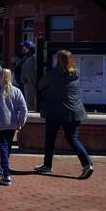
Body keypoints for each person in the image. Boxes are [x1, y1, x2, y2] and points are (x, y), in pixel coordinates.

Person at [35, 50, 94, 179]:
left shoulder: (53, 74)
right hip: (75, 111)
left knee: (50, 139)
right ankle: (87, 164)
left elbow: (40, 85)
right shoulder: (75, 73)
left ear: (58, 60)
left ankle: (47, 165)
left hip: (55, 111)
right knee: (72, 139)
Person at [0, 68, 28, 186]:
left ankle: (6, 174)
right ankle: (2, 167)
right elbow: (24, 109)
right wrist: (20, 123)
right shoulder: (16, 91)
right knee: (7, 148)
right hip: (12, 124)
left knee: (2, 148)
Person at [19, 41, 37, 111]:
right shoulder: (26, 58)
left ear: (28, 48)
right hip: (26, 83)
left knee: (30, 105)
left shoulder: (32, 59)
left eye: (24, 47)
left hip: (30, 84)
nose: (23, 48)